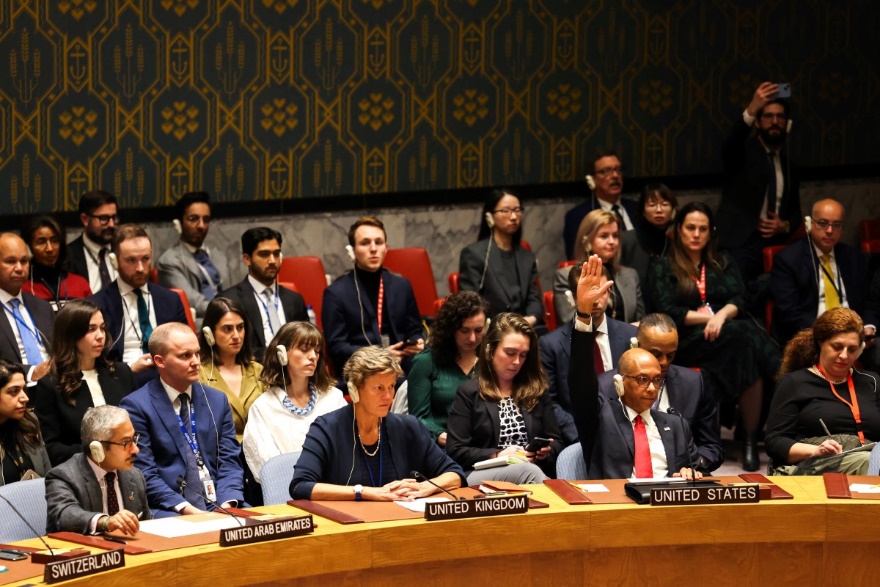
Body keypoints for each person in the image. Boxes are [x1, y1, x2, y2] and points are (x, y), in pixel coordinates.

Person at [645, 202, 780, 471]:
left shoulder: (721, 261)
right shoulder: (663, 265)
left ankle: (750, 439)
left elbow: (739, 298)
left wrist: (721, 316)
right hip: (685, 341)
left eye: (702, 229)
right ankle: (783, 376)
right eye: (691, 228)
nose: (696, 234)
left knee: (746, 354)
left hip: (724, 338)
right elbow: (667, 309)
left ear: (710, 232)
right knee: (745, 334)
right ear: (678, 230)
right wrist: (710, 318)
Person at [569, 256, 701, 479]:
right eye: (642, 379)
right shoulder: (601, 418)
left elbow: (698, 471)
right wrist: (584, 314)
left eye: (656, 380)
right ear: (620, 383)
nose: (652, 388)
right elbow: (581, 380)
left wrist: (693, 473)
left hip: (666, 507)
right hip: (616, 507)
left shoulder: (676, 424)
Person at [290, 346, 465, 501]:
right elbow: (301, 485)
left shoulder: (407, 427)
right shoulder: (327, 428)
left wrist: (425, 487)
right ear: (355, 389)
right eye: (379, 388)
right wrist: (365, 492)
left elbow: (455, 473)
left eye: (391, 386)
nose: (388, 396)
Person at [119, 323, 245, 516]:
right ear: (160, 361)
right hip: (170, 508)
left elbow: (229, 461)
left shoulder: (217, 400)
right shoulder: (136, 407)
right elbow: (144, 474)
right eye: (185, 356)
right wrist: (192, 512)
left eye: (197, 353)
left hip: (220, 503)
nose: (195, 362)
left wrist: (226, 506)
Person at [598, 313, 724, 472]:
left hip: (680, 482)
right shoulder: (605, 386)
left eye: (670, 355)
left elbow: (712, 446)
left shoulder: (694, 384)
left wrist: (695, 466)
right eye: (656, 353)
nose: (664, 362)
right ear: (635, 346)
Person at [446, 313, 562, 484]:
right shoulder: (469, 392)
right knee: (527, 471)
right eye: (510, 353)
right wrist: (498, 454)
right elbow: (455, 451)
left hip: (532, 469)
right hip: (483, 473)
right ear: (490, 350)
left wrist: (545, 451)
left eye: (523, 355)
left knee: (529, 470)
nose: (516, 361)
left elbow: (557, 443)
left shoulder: (537, 391)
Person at [766, 308, 880, 474]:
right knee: (868, 461)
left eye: (852, 349)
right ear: (821, 343)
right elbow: (774, 442)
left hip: (870, 455)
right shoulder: (795, 383)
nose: (844, 355)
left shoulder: (872, 381)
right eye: (837, 347)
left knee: (871, 460)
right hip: (815, 462)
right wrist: (815, 450)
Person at [541, 262, 636, 445]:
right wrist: (583, 435)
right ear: (574, 298)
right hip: (577, 437)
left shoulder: (630, 336)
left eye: (600, 291)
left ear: (609, 292)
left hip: (627, 434)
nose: (594, 298)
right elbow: (550, 403)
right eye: (586, 293)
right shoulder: (550, 345)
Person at [31, 300, 136, 466]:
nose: (100, 336)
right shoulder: (51, 385)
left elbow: (140, 427)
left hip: (131, 465)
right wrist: (100, 453)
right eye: (91, 329)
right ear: (71, 334)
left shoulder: (122, 373)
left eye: (102, 328)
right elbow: (52, 448)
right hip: (81, 470)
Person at [718, 82, 801, 285]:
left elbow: (796, 211)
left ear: (787, 123)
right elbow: (729, 145)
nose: (774, 122)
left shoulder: (790, 164)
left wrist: (785, 225)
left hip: (778, 242)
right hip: (742, 242)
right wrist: (752, 109)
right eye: (768, 116)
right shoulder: (742, 154)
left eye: (780, 117)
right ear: (757, 122)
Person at [243, 322, 346, 483]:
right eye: (304, 350)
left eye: (317, 351)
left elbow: (347, 453)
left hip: (335, 488)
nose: (313, 356)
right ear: (281, 354)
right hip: (287, 494)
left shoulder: (334, 398)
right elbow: (268, 470)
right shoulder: (263, 407)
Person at [322, 217, 424, 374]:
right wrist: (380, 356)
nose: (373, 248)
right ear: (352, 250)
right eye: (365, 243)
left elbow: (415, 329)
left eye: (378, 242)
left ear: (386, 248)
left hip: (403, 363)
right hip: (362, 370)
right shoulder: (336, 293)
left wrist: (417, 342)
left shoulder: (402, 285)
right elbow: (337, 347)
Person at [89, 224, 188, 386]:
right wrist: (129, 369)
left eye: (145, 259)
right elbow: (93, 360)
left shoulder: (170, 299)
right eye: (131, 261)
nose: (140, 268)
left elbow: (186, 345)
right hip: (123, 380)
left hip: (169, 376)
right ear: (114, 261)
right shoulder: (97, 305)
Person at [770, 199, 875, 344]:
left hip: (854, 336)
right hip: (812, 337)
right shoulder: (788, 260)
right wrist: (829, 332)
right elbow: (789, 313)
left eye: (836, 225)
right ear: (810, 224)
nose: (830, 230)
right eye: (823, 223)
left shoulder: (853, 257)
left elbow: (870, 301)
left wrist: (869, 326)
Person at [45, 405, 151, 534]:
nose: (135, 449)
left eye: (134, 439)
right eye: (126, 442)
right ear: (97, 448)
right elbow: (65, 515)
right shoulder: (63, 476)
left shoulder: (134, 475)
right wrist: (106, 522)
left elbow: (146, 525)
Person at [408, 291, 488, 446]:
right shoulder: (426, 362)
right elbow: (418, 417)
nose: (472, 338)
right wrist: (440, 435)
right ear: (450, 329)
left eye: (478, 330)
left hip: (486, 447)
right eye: (464, 331)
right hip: (443, 448)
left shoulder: (491, 360)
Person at [219, 227, 307, 361]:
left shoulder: (294, 299)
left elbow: (306, 342)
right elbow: (230, 350)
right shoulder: (229, 301)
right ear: (247, 259)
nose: (272, 260)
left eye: (276, 254)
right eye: (264, 254)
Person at [459, 189, 543, 329]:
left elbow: (534, 298)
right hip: (493, 330)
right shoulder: (474, 255)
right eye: (505, 211)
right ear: (489, 217)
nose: (514, 216)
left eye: (517, 210)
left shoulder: (527, 256)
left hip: (526, 328)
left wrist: (530, 319)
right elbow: (471, 302)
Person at [555, 209, 644, 324]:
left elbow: (641, 320)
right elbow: (569, 321)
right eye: (604, 236)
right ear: (586, 240)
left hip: (627, 340)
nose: (612, 241)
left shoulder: (630, 275)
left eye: (615, 236)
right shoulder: (565, 276)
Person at [196, 297, 264, 440]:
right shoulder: (199, 374)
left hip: (261, 449)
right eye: (227, 329)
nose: (236, 336)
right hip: (222, 454)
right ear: (209, 333)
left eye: (240, 327)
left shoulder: (258, 370)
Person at [158, 192, 230, 321]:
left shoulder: (218, 255)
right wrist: (227, 311)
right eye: (193, 219)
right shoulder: (169, 261)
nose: (201, 226)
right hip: (198, 325)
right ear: (179, 223)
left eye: (206, 220)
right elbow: (191, 301)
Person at [563, 151, 638, 259]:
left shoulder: (636, 209)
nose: (615, 176)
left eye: (618, 170)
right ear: (592, 180)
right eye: (606, 171)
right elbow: (576, 257)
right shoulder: (578, 216)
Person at [0, 232, 54, 382]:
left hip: (53, 386)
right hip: (11, 390)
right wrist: (31, 372)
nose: (19, 268)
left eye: (24, 261)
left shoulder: (42, 307)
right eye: (10, 261)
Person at [21, 215, 92, 310]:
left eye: (54, 241)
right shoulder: (22, 287)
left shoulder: (79, 284)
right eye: (41, 242)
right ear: (29, 246)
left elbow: (94, 319)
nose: (49, 249)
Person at [0, 360, 50, 486]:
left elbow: (49, 478)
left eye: (24, 389)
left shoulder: (30, 423)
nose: (25, 398)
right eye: (14, 391)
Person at [619, 183, 678, 287]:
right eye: (652, 205)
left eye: (664, 204)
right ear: (643, 211)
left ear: (672, 210)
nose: (659, 210)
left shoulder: (674, 246)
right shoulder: (625, 241)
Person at [67, 190, 119, 293]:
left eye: (114, 218)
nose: (111, 225)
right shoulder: (68, 256)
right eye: (104, 218)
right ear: (85, 219)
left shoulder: (122, 249)